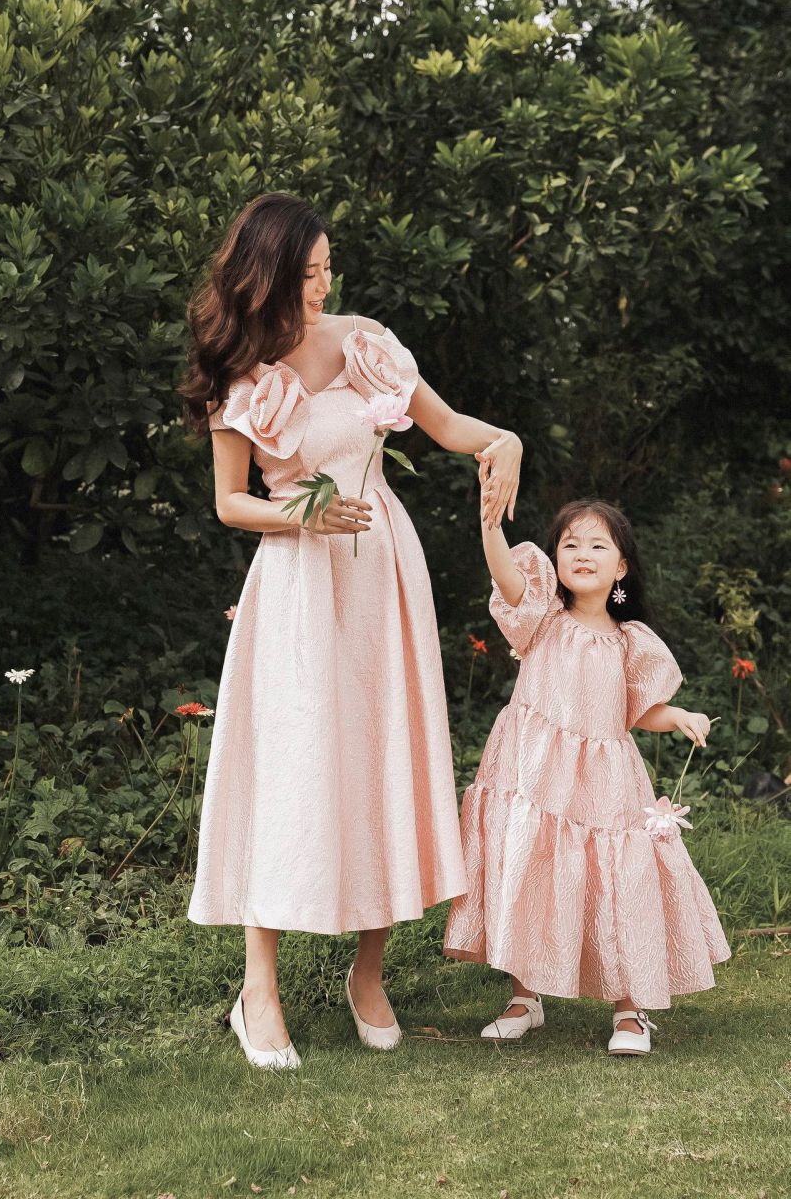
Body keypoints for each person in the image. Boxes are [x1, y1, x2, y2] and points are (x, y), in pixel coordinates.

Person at [179, 192, 524, 1069]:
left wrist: (506, 441)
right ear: (265, 275)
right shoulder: (239, 371)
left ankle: (367, 974)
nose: (323, 285)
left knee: (383, 756)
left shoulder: (366, 342)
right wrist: (303, 515)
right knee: (291, 769)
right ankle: (258, 990)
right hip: (299, 585)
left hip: (382, 577)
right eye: (307, 272)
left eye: (328, 267)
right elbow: (230, 503)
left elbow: (447, 428)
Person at [443, 492, 731, 1056]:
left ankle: (630, 1008)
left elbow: (639, 710)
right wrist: (489, 521)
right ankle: (525, 998)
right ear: (555, 559)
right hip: (532, 772)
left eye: (598, 545)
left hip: (605, 781)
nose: (582, 553)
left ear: (621, 567)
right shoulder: (541, 618)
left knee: (618, 879)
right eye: (570, 544)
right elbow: (505, 576)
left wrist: (678, 715)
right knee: (529, 869)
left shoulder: (630, 641)